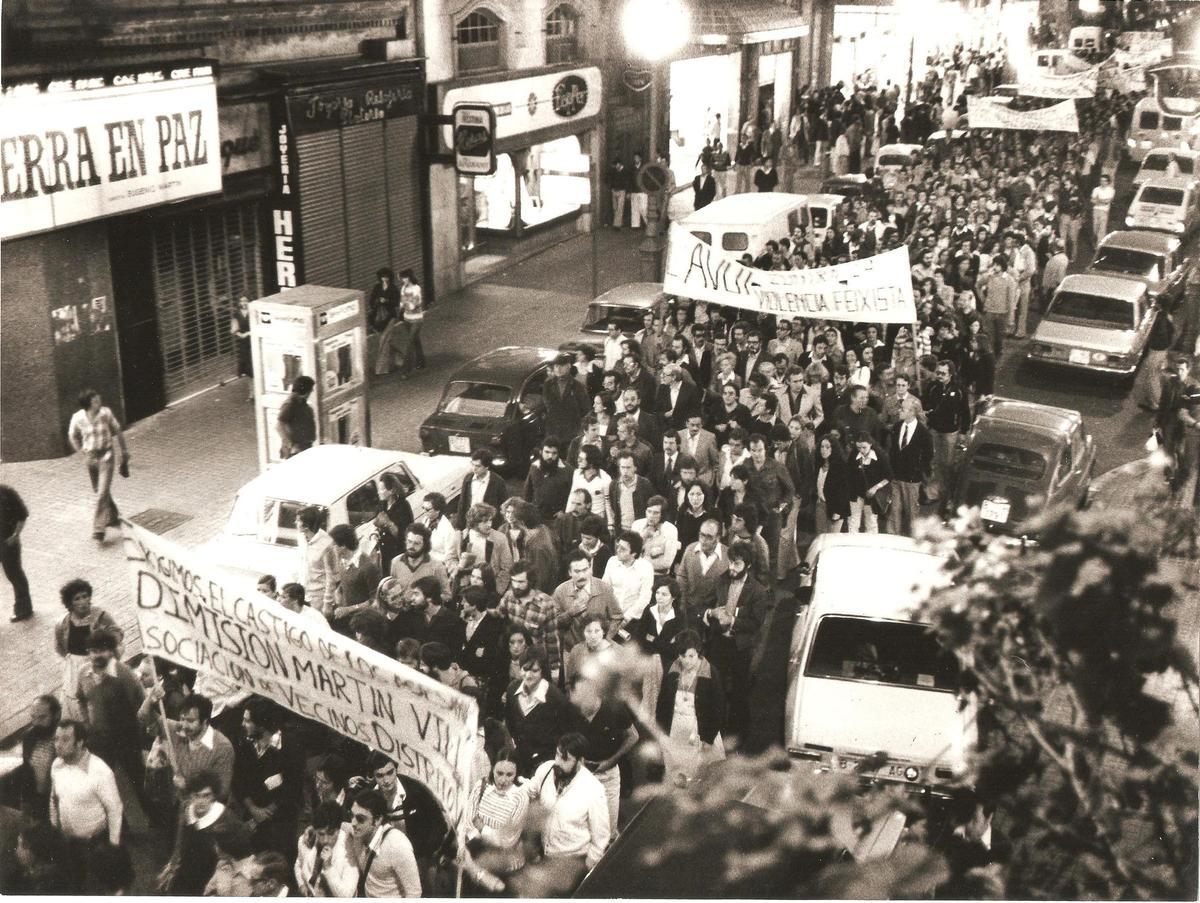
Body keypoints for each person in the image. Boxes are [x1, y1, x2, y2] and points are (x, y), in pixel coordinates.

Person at [526, 732, 611, 884]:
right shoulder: (546, 770)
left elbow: (601, 838)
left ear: (580, 761)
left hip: (571, 864)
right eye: (557, 754)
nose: (557, 762)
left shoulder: (593, 789)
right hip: (543, 856)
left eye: (565, 758)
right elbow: (529, 791)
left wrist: (584, 871)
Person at [703, 542, 768, 740]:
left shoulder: (758, 591)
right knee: (715, 688)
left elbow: (756, 623)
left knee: (740, 692)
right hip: (718, 644)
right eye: (731, 563)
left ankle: (737, 737)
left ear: (747, 565)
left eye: (737, 564)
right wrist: (711, 612)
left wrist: (733, 620)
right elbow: (703, 606)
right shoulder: (720, 580)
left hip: (741, 647)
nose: (731, 567)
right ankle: (714, 732)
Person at [49, 719, 123, 889]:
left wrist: (113, 846)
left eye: (65, 739)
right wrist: (54, 828)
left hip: (96, 844)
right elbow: (53, 799)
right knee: (76, 884)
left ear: (80, 743)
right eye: (56, 739)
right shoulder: (56, 765)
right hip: (68, 842)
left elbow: (115, 810)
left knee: (103, 886)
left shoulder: (100, 771)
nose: (58, 745)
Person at [159, 771, 252, 895]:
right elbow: (180, 839)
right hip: (185, 870)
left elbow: (243, 854)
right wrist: (173, 864)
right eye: (196, 795)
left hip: (211, 877)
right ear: (190, 796)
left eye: (206, 795)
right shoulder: (186, 808)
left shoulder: (227, 819)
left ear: (213, 796)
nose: (201, 801)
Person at [74, 628, 145, 787]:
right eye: (93, 651)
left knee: (137, 778)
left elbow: (140, 700)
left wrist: (136, 729)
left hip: (126, 737)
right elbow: (80, 699)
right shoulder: (83, 673)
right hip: (99, 737)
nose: (97, 655)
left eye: (102, 650)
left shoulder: (123, 673)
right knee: (104, 780)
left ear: (111, 652)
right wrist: (86, 724)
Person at [568, 676, 638, 834]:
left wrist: (610, 760)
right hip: (581, 775)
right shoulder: (571, 711)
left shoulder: (614, 708)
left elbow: (633, 736)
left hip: (608, 776)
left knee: (609, 831)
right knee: (583, 829)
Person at [656, 629, 726, 786]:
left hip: (698, 732)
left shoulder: (710, 673)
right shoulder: (673, 670)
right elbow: (662, 702)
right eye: (682, 656)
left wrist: (708, 740)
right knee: (676, 772)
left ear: (699, 653)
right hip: (675, 729)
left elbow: (718, 709)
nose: (686, 661)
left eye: (691, 656)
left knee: (698, 775)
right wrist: (660, 731)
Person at [66, 388, 129, 541]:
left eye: (98, 399)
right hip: (91, 457)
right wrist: (81, 452)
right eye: (94, 401)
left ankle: (98, 529)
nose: (98, 402)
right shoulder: (78, 418)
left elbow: (118, 429)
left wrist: (124, 451)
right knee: (100, 490)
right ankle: (113, 517)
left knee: (101, 492)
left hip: (106, 455)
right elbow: (72, 435)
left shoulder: (105, 413)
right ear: (87, 404)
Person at [463, 748, 528, 889]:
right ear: (492, 769)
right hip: (477, 858)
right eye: (499, 773)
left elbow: (508, 840)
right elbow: (468, 822)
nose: (503, 780)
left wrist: (482, 828)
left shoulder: (520, 797)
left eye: (509, 775)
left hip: (505, 867)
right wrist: (493, 834)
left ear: (517, 774)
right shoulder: (481, 786)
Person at [55, 579, 120, 720]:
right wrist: (72, 660)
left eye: (85, 596)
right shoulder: (63, 622)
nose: (83, 601)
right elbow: (59, 646)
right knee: (76, 699)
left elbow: (117, 633)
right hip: (74, 668)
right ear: (70, 603)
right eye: (77, 598)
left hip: (97, 664)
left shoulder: (101, 616)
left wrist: (104, 648)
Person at [505, 646, 570, 777]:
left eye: (534, 671)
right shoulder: (512, 690)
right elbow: (510, 723)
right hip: (520, 761)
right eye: (525, 669)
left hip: (545, 764)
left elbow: (565, 735)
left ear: (543, 671)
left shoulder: (555, 697)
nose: (528, 675)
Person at [554, 550, 623, 650]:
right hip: (571, 651)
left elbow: (617, 617)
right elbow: (553, 623)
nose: (582, 575)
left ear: (591, 569)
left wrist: (605, 639)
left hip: (600, 652)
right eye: (577, 571)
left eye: (585, 570)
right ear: (570, 572)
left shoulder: (604, 588)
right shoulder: (560, 591)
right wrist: (570, 613)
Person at [887, 398, 934, 537]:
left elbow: (928, 455)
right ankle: (893, 536)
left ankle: (914, 538)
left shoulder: (923, 433)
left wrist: (918, 471)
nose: (899, 411)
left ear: (912, 412)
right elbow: (892, 451)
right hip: (896, 477)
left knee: (912, 511)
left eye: (903, 409)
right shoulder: (896, 427)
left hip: (912, 480)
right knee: (894, 509)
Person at [295, 800, 360, 897]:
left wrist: (329, 868)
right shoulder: (305, 840)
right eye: (321, 834)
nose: (325, 840)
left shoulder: (350, 849)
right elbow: (298, 864)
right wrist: (301, 885)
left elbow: (347, 895)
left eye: (331, 833)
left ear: (339, 828)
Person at [847, 432, 893, 534]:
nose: (861, 450)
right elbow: (848, 474)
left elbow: (889, 476)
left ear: (870, 444)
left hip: (871, 496)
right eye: (858, 447)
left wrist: (876, 487)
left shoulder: (880, 456)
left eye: (864, 447)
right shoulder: (854, 455)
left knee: (871, 523)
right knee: (853, 522)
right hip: (856, 494)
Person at [298, 505, 339, 618]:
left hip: (318, 599)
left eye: (298, 520)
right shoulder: (301, 539)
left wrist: (327, 603)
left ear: (306, 525)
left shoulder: (327, 544)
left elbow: (332, 577)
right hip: (302, 593)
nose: (295, 522)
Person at [0, 484, 32, 622]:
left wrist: (15, 535)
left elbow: (22, 514)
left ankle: (24, 609)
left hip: (7, 543)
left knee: (14, 575)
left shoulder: (7, 493)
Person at [544, 352, 591, 443]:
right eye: (556, 366)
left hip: (572, 432)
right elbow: (548, 406)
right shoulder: (548, 385)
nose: (558, 369)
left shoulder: (578, 386)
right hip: (553, 431)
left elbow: (585, 409)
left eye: (561, 365)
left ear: (569, 365)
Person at [374, 471, 413, 575]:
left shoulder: (403, 506)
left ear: (391, 490)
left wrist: (388, 523)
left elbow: (403, 535)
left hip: (398, 552)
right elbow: (377, 525)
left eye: (382, 489)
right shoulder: (382, 505)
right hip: (385, 553)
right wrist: (375, 534)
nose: (379, 492)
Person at [457, 448, 507, 529]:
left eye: (478, 466)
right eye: (472, 464)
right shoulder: (468, 478)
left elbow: (503, 505)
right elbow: (462, 503)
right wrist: (459, 526)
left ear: (487, 467)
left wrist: (498, 526)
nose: (474, 468)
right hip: (470, 524)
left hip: (488, 525)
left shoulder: (498, 481)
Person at [277, 376, 317, 459]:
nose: (312, 391)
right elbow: (279, 425)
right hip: (297, 449)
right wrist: (290, 445)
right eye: (311, 389)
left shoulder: (301, 403)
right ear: (306, 390)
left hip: (304, 446)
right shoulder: (291, 404)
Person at [398, 269, 426, 374]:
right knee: (415, 340)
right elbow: (401, 304)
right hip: (407, 318)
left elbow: (414, 305)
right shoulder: (403, 288)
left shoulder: (416, 288)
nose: (403, 280)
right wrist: (406, 303)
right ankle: (421, 361)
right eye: (402, 278)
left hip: (417, 319)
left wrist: (406, 302)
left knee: (410, 343)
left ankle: (406, 369)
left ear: (409, 277)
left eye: (404, 278)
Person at [231, 296, 254, 395]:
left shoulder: (253, 312)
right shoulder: (236, 314)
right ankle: (251, 392)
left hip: (253, 341)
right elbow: (233, 329)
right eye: (241, 301)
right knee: (249, 371)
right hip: (244, 344)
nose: (243, 303)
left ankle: (257, 391)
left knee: (255, 367)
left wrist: (249, 333)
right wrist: (239, 334)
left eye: (246, 301)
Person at [1091, 172, 1114, 241]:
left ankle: (1099, 244)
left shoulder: (1111, 190)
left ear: (1108, 182)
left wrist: (1098, 200)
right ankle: (1094, 239)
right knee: (1095, 228)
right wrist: (1101, 201)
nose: (1102, 182)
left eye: (1104, 181)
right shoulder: (1096, 189)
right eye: (1101, 180)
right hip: (1096, 210)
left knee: (1102, 229)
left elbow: (1107, 202)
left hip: (1104, 211)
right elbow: (1092, 201)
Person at [609, 157, 631, 228]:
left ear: (619, 164)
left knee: (620, 208)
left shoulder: (626, 171)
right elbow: (610, 180)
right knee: (615, 207)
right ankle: (619, 222)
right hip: (614, 190)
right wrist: (612, 188)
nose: (615, 166)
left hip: (622, 190)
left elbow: (628, 182)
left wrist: (628, 192)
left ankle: (616, 225)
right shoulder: (614, 171)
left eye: (616, 165)